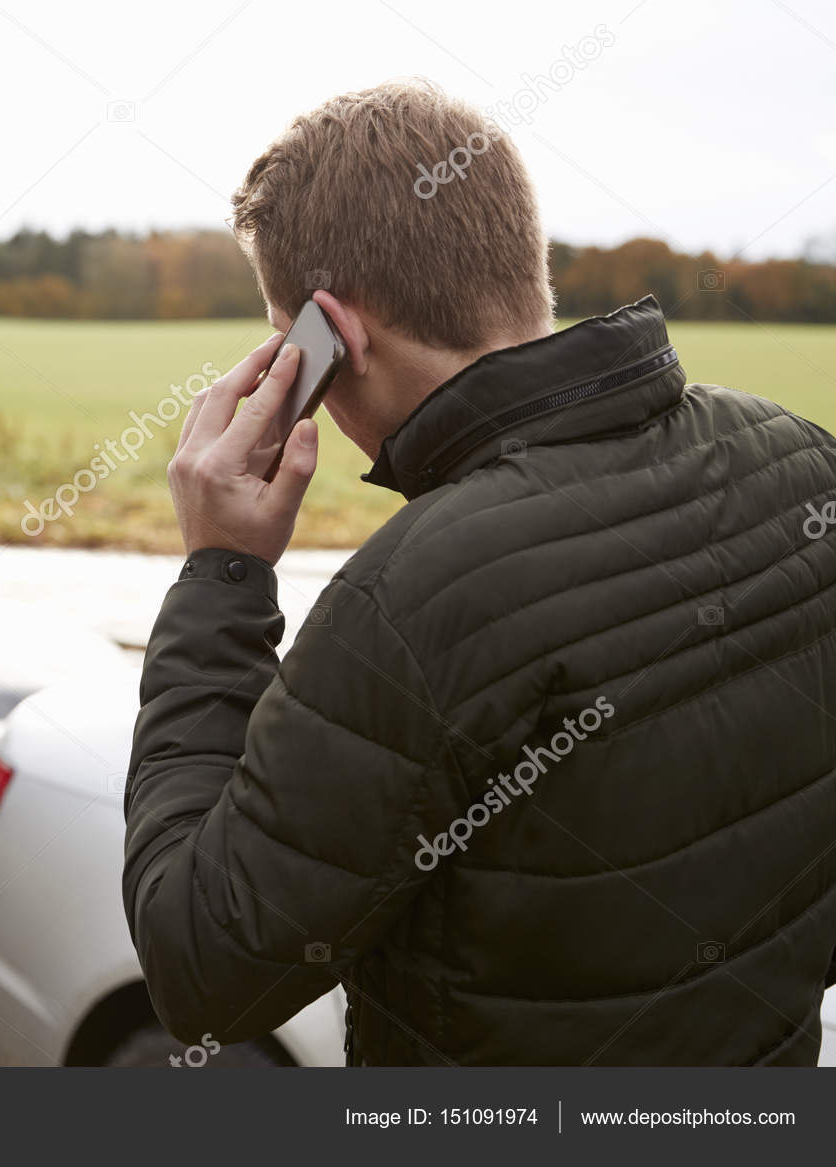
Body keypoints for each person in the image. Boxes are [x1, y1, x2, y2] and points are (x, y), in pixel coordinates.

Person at [123, 78, 836, 1065]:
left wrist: (219, 575)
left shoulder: (412, 601)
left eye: (296, 346)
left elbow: (202, 967)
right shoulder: (802, 460)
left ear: (336, 337)